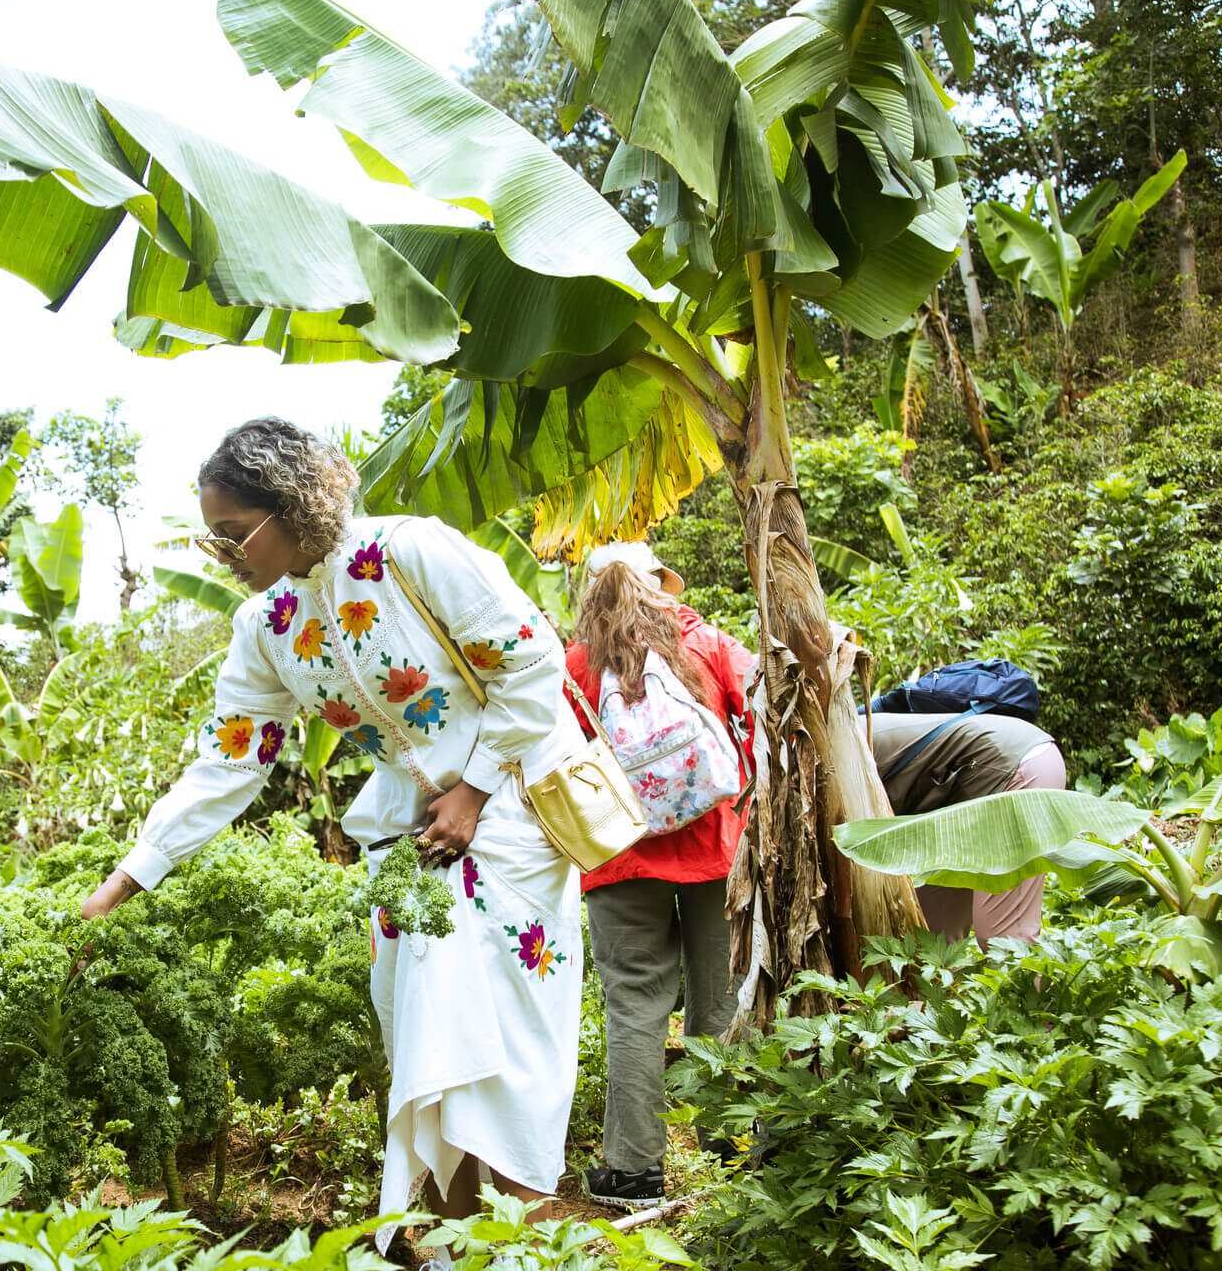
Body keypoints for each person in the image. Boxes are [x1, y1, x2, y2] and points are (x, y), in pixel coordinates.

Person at [81, 418, 586, 1246]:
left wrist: (474, 792)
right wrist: (123, 883)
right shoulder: (266, 626)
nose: (226, 555)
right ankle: (454, 1248)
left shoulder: (412, 553)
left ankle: (517, 1247)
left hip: (513, 830)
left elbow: (533, 666)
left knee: (513, 1056)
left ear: (290, 505)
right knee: (432, 1053)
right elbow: (230, 763)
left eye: (234, 533)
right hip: (409, 854)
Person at [562, 541, 752, 1211]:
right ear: (661, 586)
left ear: (592, 597)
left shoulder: (575, 664)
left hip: (621, 853)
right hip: (714, 846)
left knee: (636, 1006)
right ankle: (733, 1148)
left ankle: (635, 1172)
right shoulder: (707, 644)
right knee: (717, 999)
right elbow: (757, 723)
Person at [868, 711, 1067, 945]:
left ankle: (1023, 982)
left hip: (1014, 769)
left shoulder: (838, 744)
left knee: (1004, 937)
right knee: (931, 937)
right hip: (957, 806)